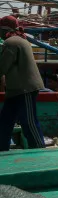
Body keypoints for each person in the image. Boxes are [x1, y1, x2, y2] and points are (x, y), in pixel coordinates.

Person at [0, 16, 45, 151]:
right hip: (16, 89)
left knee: (29, 122)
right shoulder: (21, 40)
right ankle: (2, 148)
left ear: (5, 29)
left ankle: (39, 151)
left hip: (24, 88)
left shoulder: (11, 43)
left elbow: (2, 67)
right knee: (5, 122)